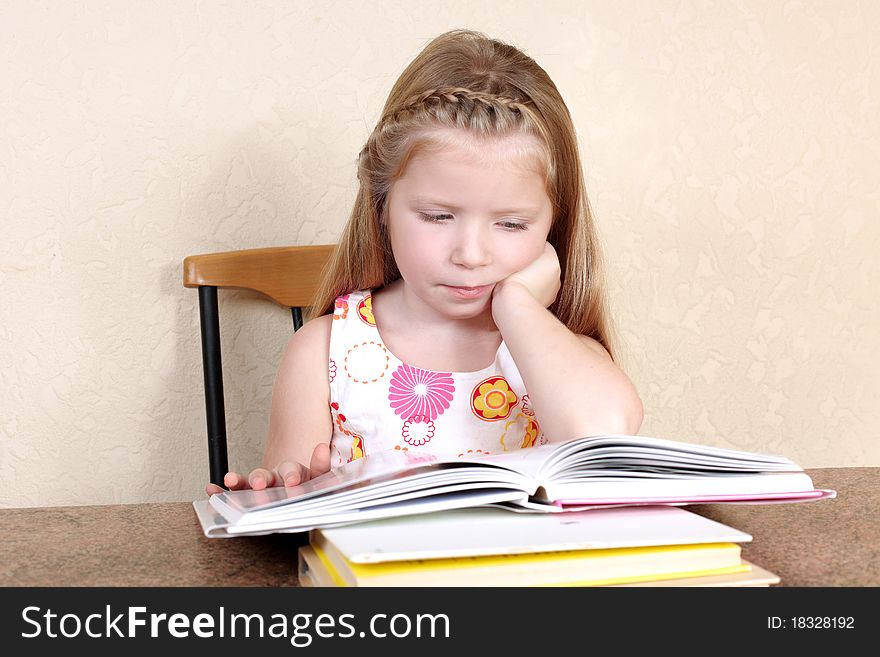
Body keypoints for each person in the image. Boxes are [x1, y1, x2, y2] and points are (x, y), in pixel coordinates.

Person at [206, 29, 643, 496]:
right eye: (437, 216)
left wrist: (517, 306)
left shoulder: (562, 353)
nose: (471, 256)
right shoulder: (324, 352)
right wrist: (285, 495)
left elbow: (606, 440)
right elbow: (287, 504)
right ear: (381, 205)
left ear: (554, 224)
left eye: (512, 224)